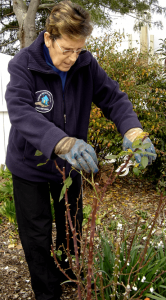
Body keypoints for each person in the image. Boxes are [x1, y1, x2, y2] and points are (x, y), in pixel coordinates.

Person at [5, 1, 156, 299]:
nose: (74, 58)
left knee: (70, 225)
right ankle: (48, 293)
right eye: (67, 50)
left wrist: (133, 130)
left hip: (68, 169)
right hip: (29, 166)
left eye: (79, 50)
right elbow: (21, 111)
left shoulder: (86, 64)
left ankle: (65, 274)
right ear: (49, 38)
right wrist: (62, 142)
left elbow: (113, 97)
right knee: (36, 235)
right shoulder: (23, 64)